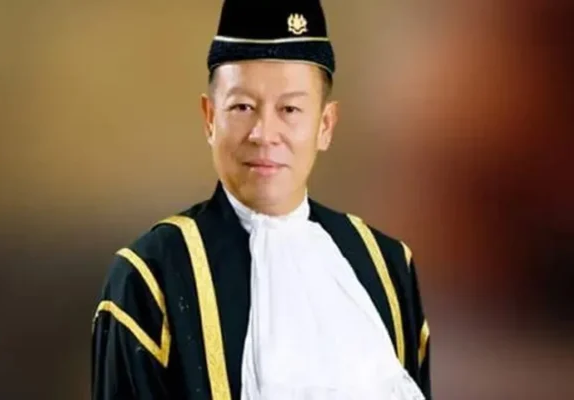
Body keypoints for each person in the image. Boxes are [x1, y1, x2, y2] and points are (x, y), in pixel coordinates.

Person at [91, 1, 431, 399]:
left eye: (290, 109)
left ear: (325, 125)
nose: (264, 134)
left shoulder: (387, 268)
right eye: (242, 107)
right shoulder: (153, 275)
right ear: (209, 118)